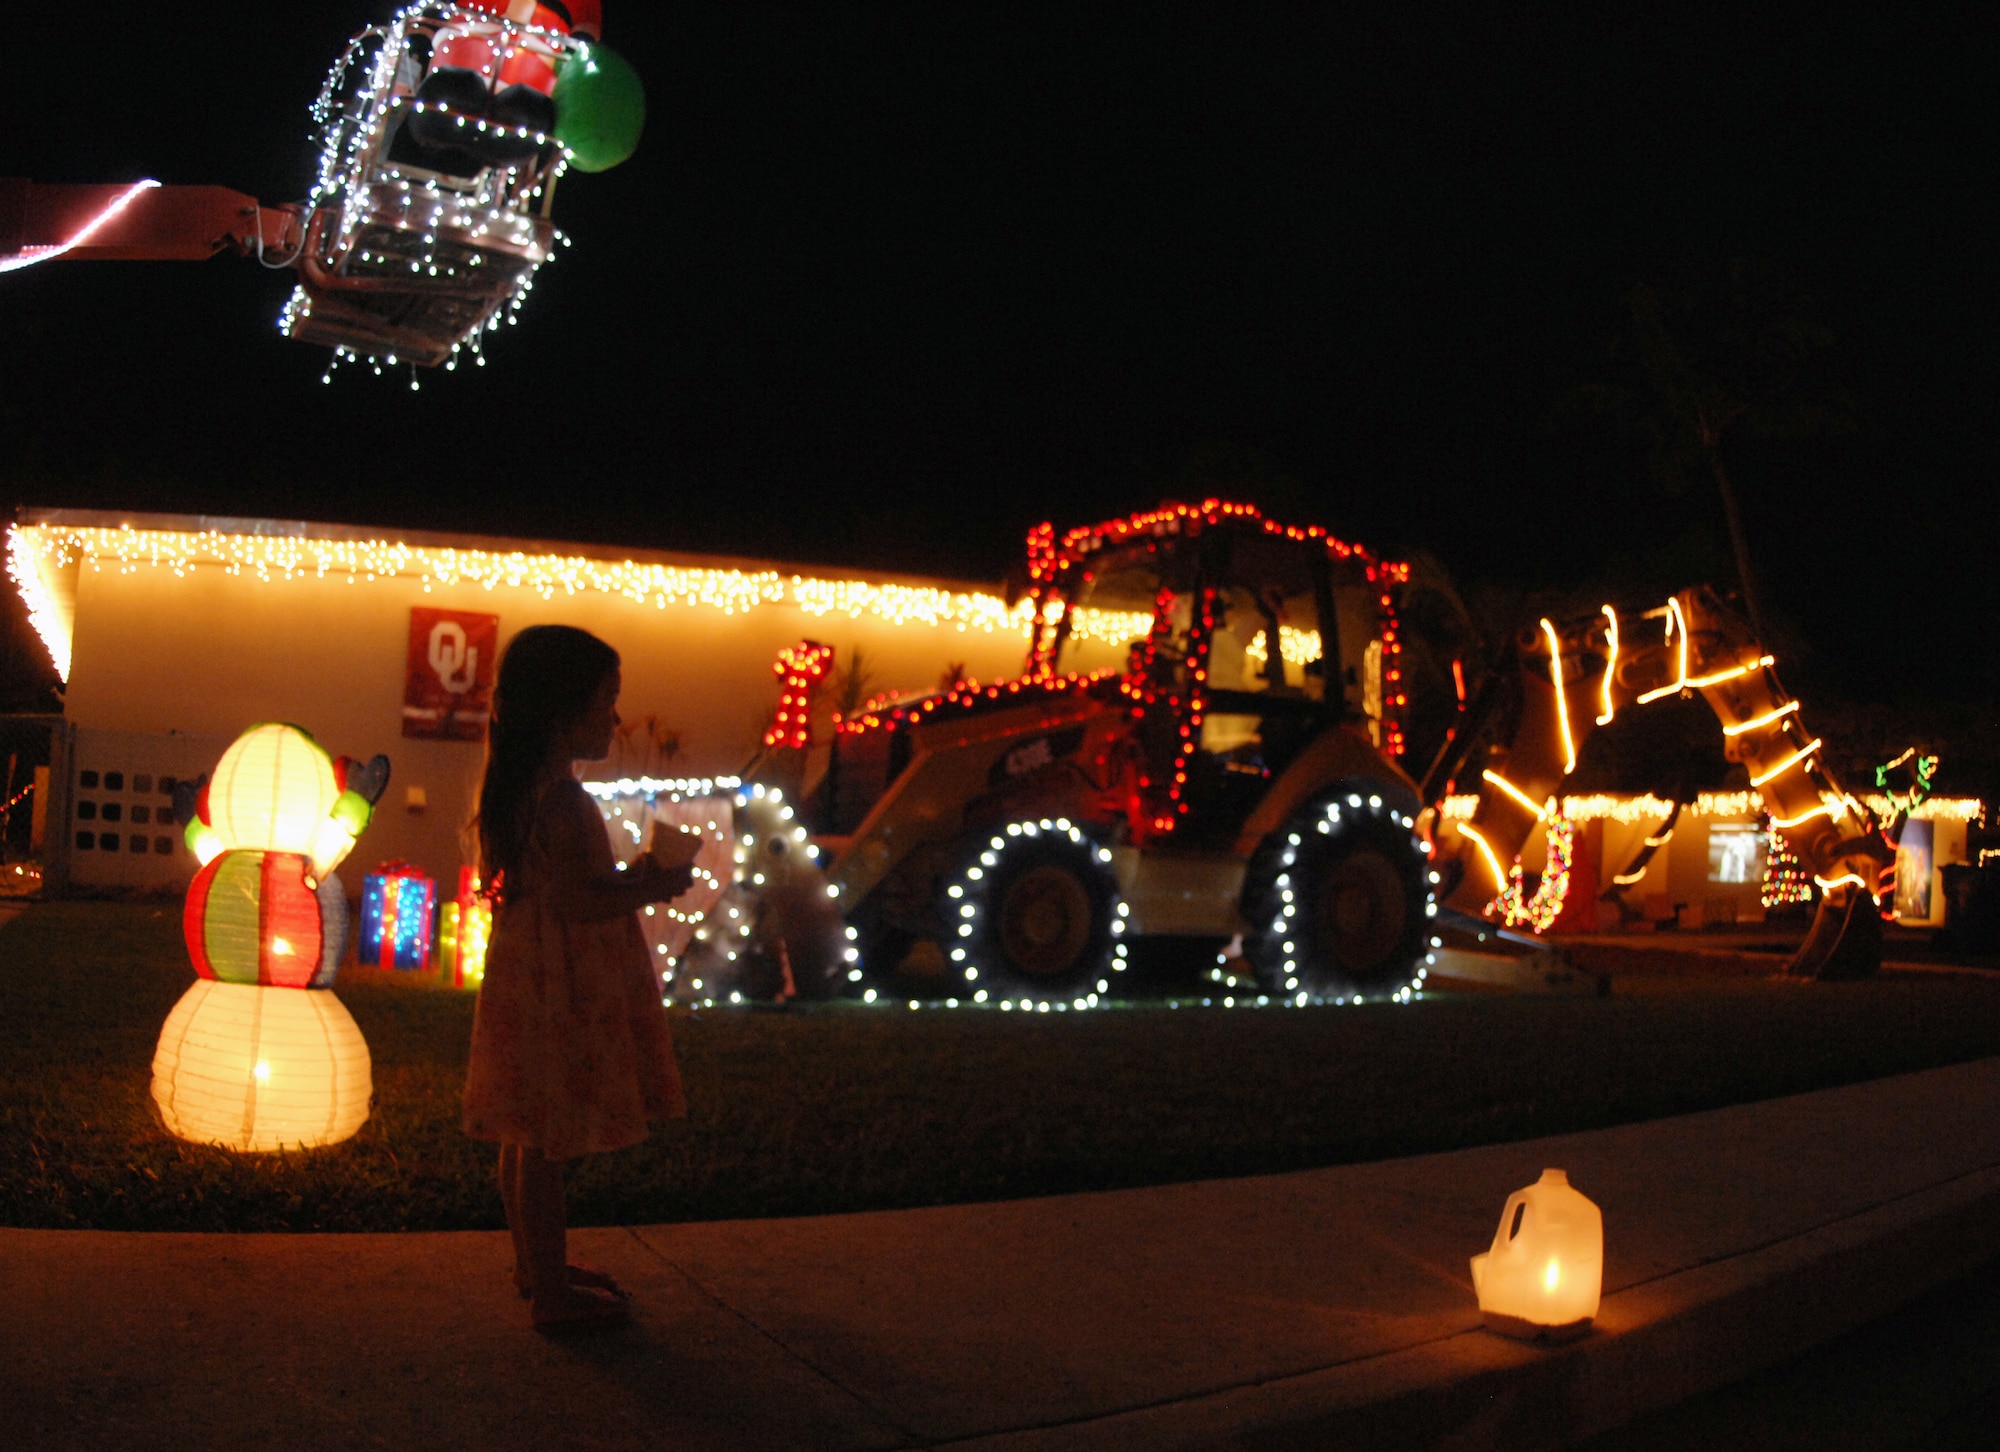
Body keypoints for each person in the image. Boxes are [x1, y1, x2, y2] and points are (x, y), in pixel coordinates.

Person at [462, 625, 693, 1329]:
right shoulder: (563, 800)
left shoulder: (525, 790)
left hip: (528, 979)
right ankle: (553, 1300)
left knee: (527, 1132)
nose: (615, 718)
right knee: (547, 1142)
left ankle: (539, 1267)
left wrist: (631, 879)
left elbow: (565, 886)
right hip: (558, 987)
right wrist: (653, 888)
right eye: (607, 700)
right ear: (565, 710)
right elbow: (577, 903)